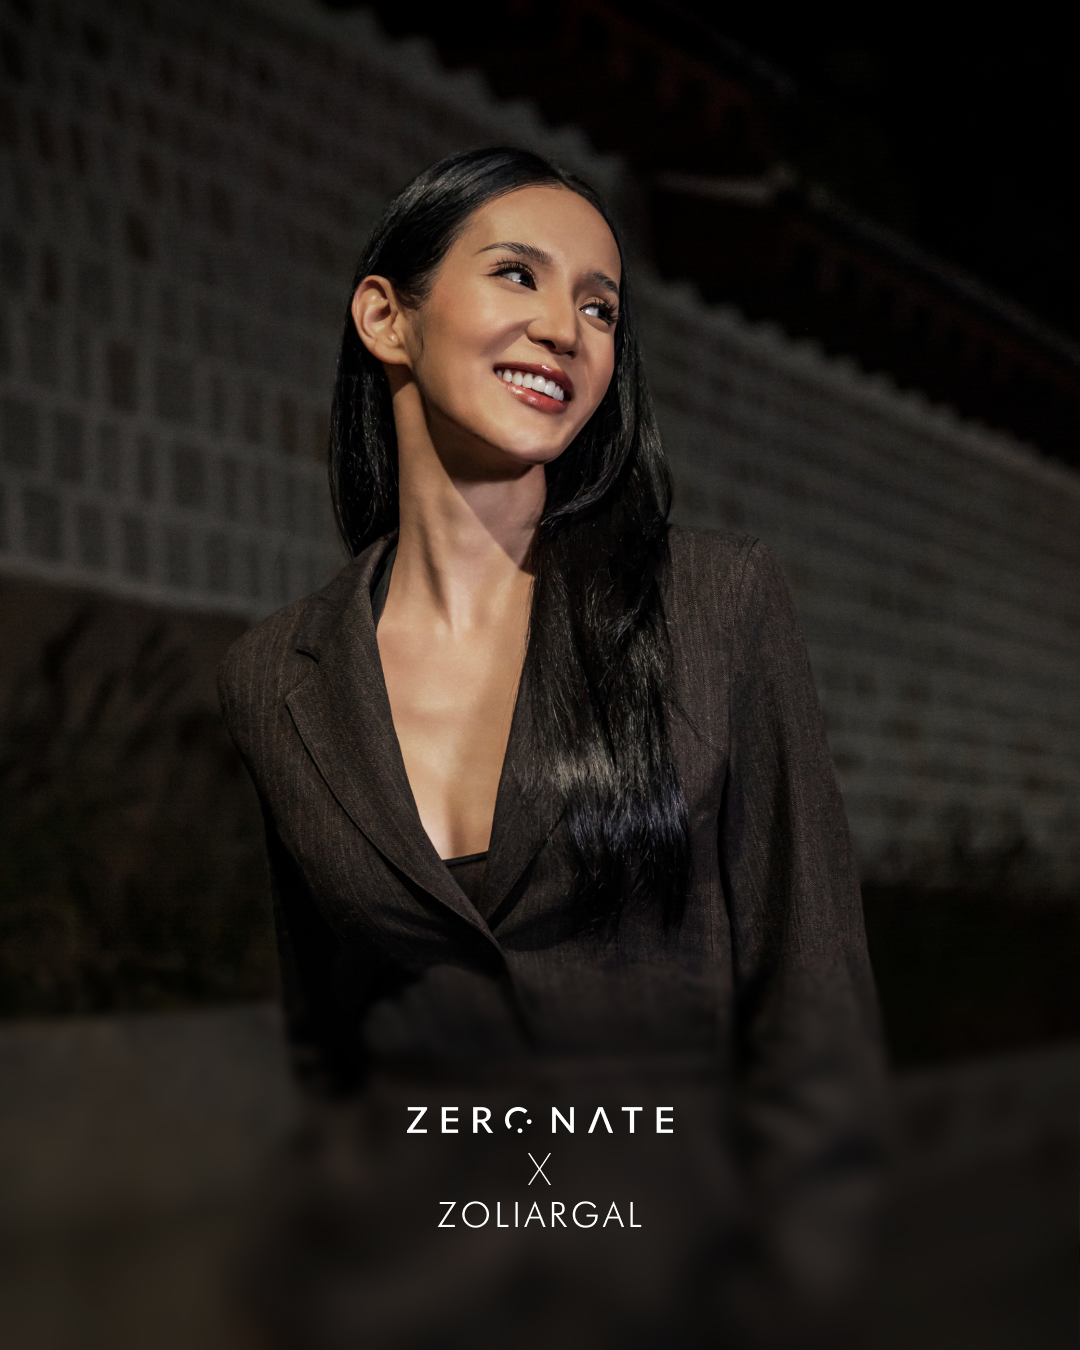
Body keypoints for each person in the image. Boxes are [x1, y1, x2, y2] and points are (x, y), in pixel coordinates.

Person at [219, 146, 887, 1350]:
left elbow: (816, 1012)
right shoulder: (276, 677)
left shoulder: (713, 608)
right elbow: (329, 1050)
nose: (565, 329)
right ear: (386, 316)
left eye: (600, 306)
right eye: (518, 275)